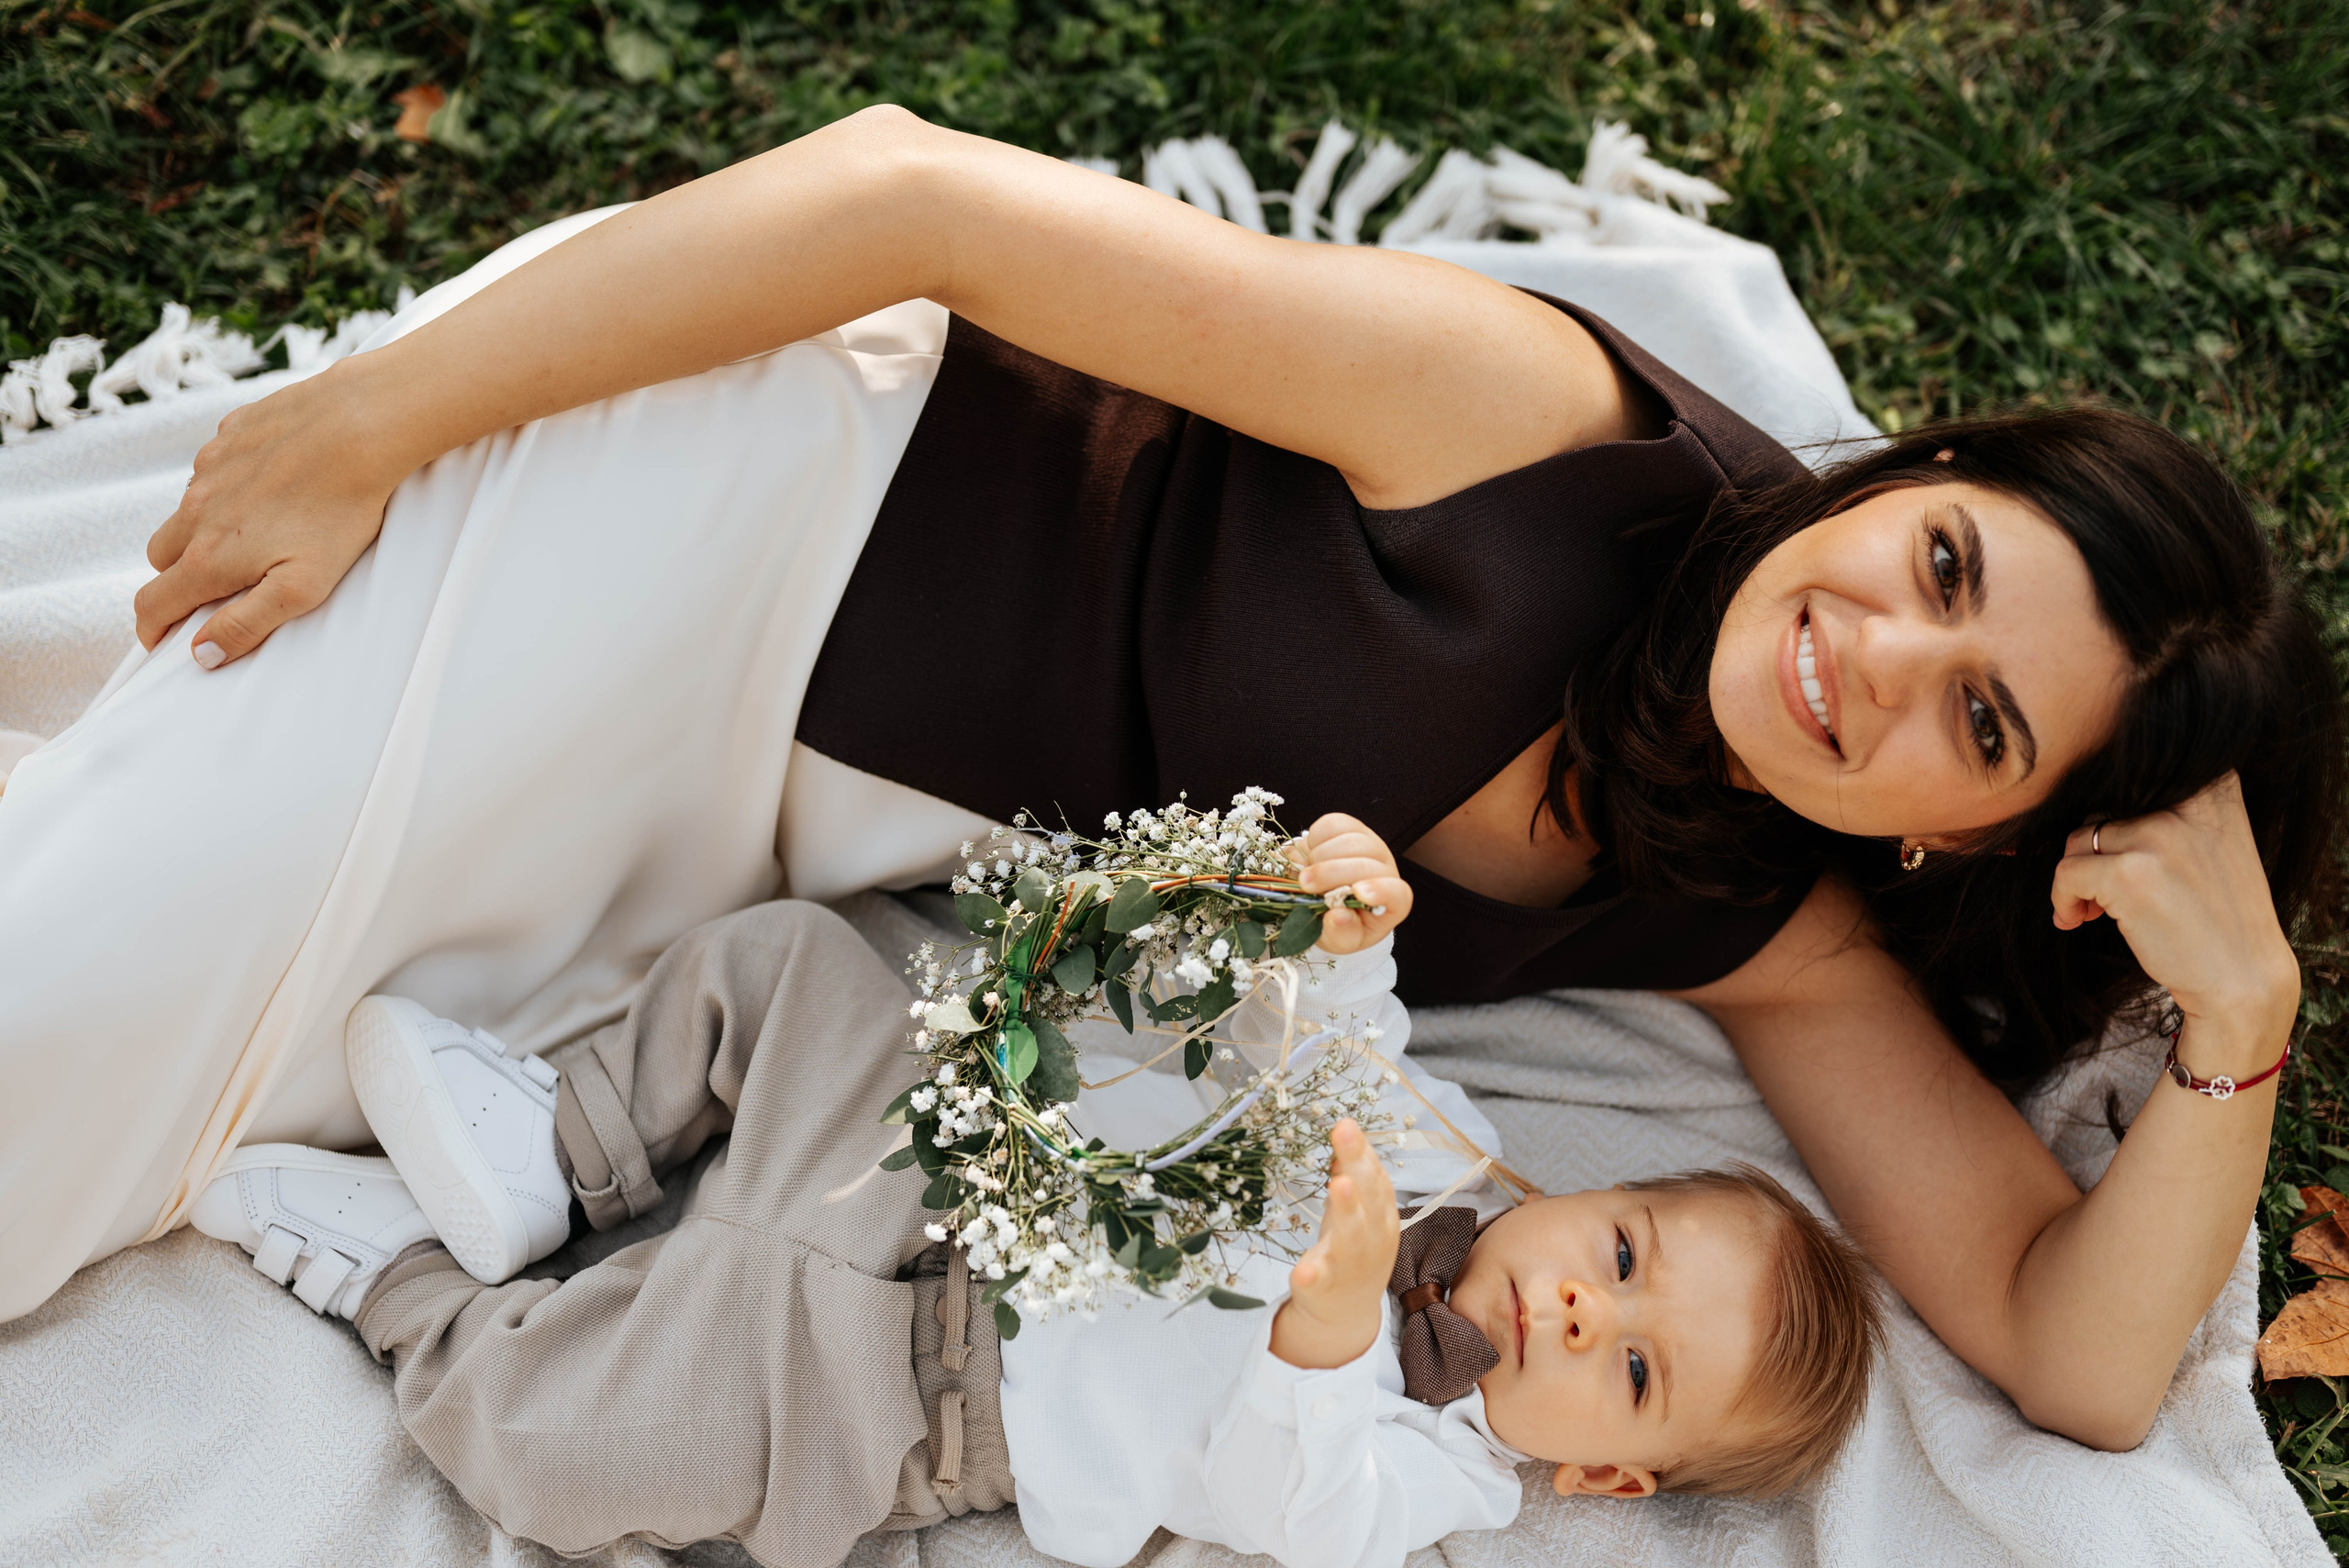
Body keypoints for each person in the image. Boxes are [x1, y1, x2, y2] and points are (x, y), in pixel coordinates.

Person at [0, 106, 2333, 1460]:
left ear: (1974, 837)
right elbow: (908, 198)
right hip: (726, 525)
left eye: (1982, 722)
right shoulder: (1536, 427)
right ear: (1901, 480)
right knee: (60, 1035)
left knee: (201, 1129)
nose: (1875, 658)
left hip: (743, 858)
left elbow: (2076, 1361)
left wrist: (2238, 1019)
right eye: (1938, 562)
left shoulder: (1764, 917)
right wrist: (368, 421)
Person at [188, 819, 1883, 1568]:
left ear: (1598, 1468)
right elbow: (1331, 1037)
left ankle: (409, 1276)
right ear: (1595, 1200)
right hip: (964, 1184)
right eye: (1627, 1250)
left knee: (574, 1454)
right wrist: (1334, 921)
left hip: (919, 1401)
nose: (1588, 1302)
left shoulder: (1429, 1480)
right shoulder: (1449, 1150)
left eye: (1636, 1362)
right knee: (807, 970)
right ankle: (554, 1147)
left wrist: (1335, 1323)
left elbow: (1277, 1486)